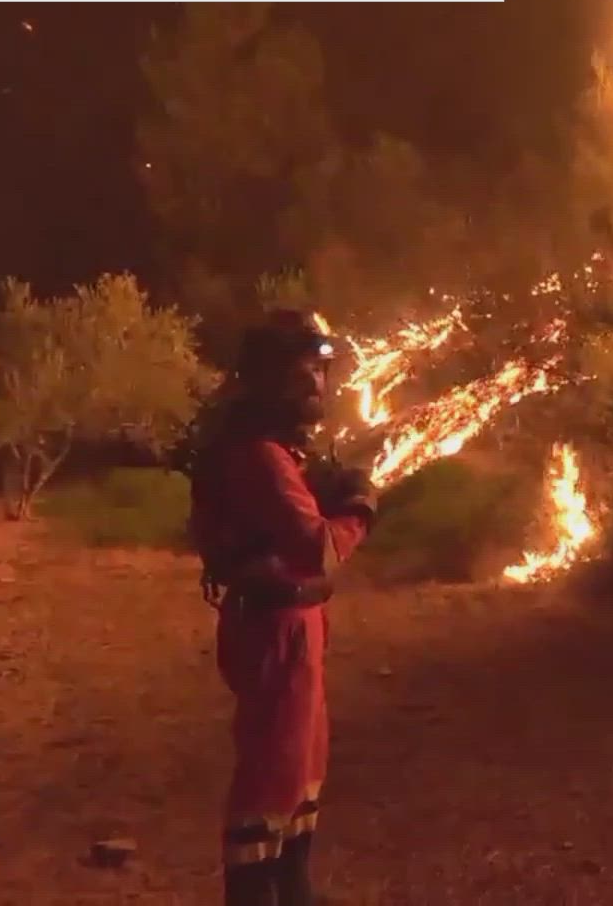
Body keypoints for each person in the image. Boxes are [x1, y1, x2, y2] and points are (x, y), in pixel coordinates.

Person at [186, 310, 378, 906]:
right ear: (270, 377)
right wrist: (360, 507)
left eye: (322, 373)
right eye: (305, 373)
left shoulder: (274, 449)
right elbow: (316, 548)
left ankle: (294, 892)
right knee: (272, 773)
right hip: (273, 627)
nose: (317, 386)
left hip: (293, 622)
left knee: (303, 762)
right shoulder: (258, 456)